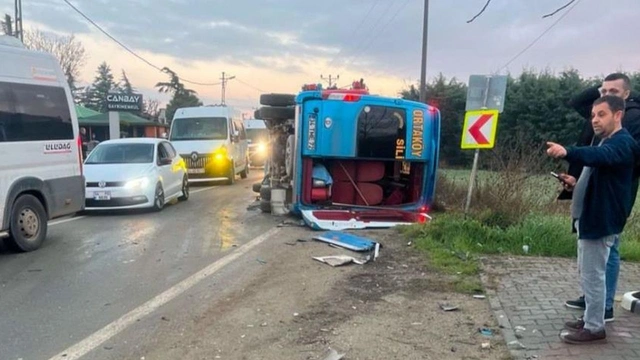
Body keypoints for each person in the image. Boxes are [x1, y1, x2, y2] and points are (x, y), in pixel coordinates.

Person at [547, 95, 638, 344]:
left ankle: (595, 327)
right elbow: (600, 174)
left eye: (602, 114)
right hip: (591, 217)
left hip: (601, 220)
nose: (595, 120)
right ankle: (590, 318)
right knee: (587, 273)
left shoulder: (622, 143)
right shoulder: (606, 142)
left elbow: (600, 158)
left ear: (618, 115)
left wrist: (568, 151)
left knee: (593, 275)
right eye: (593, 115)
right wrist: (575, 183)